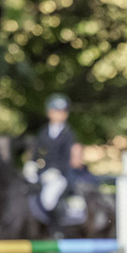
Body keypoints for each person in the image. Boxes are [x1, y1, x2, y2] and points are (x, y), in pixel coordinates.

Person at [23, 94, 84, 224]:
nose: (57, 115)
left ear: (65, 114)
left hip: (59, 175)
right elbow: (36, 153)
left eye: (61, 112)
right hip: (42, 173)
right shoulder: (43, 132)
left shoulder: (68, 134)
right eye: (55, 111)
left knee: (48, 200)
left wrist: (56, 170)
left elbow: (66, 158)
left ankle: (56, 229)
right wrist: (31, 165)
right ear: (49, 112)